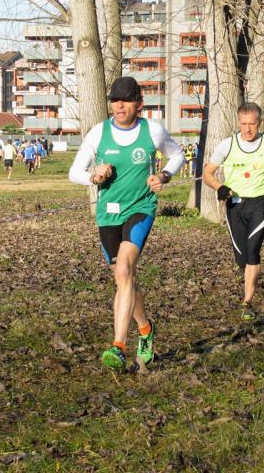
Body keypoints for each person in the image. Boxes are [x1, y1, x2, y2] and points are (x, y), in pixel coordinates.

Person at [69, 76, 185, 369]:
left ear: (138, 104)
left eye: (126, 100)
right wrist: (94, 176)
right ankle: (145, 329)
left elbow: (177, 155)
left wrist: (163, 177)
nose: (119, 106)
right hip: (108, 214)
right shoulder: (99, 133)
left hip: (140, 208)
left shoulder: (152, 131)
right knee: (124, 280)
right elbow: (74, 172)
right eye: (115, 101)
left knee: (124, 269)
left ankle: (118, 345)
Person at [203, 102, 264, 320]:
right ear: (238, 122)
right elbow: (208, 173)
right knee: (242, 259)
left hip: (260, 203)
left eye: (252, 124)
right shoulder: (227, 145)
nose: (248, 129)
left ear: (260, 123)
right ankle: (248, 277)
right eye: (243, 124)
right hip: (234, 205)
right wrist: (220, 187)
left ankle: (247, 302)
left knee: (253, 251)